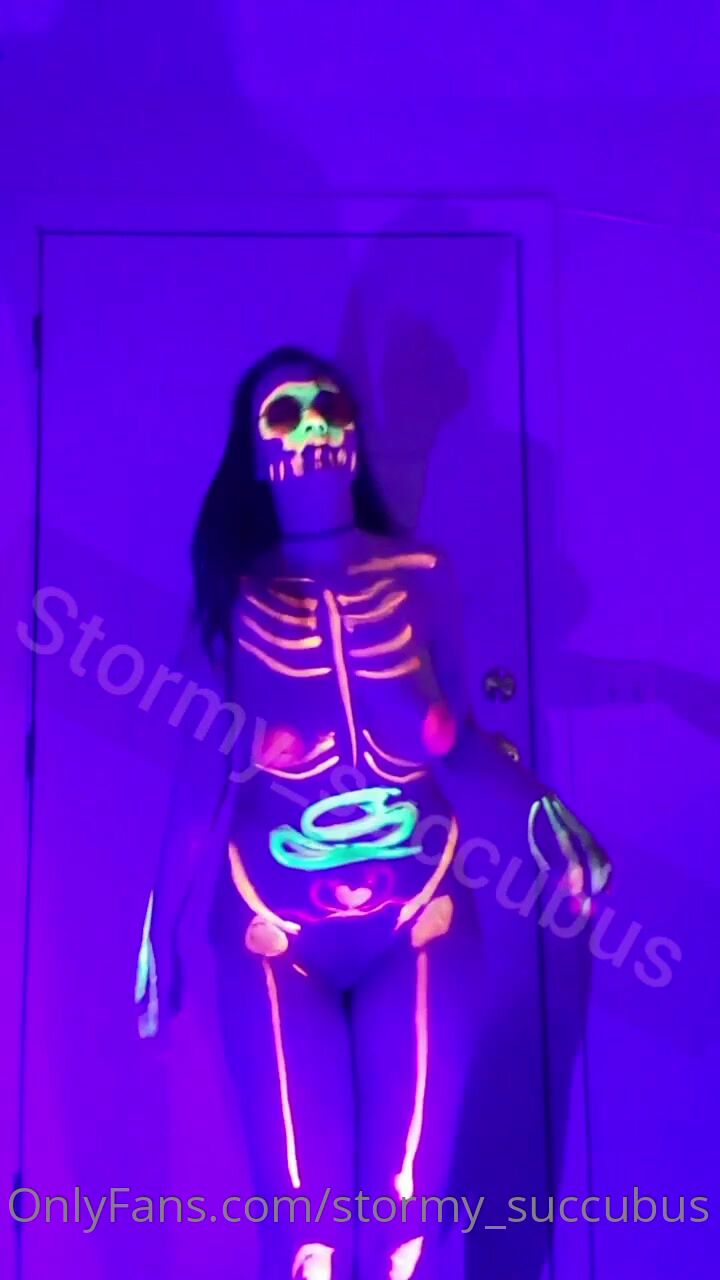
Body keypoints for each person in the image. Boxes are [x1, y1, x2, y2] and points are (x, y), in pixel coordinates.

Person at [136, 346, 610, 1280]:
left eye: (331, 407)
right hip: (273, 927)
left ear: (355, 437)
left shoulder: (422, 574)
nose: (314, 425)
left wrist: (544, 817)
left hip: (419, 916)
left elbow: (458, 739)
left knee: (405, 1226)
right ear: (256, 451)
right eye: (285, 413)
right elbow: (201, 777)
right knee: (307, 1232)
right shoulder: (234, 595)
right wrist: (161, 919)